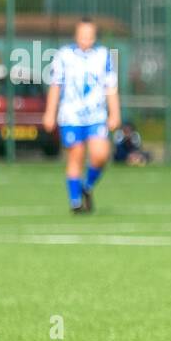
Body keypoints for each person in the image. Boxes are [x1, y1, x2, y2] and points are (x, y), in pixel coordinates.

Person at [42, 18, 121, 213]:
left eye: (90, 36)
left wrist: (115, 113)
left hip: (96, 116)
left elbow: (110, 87)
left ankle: (87, 187)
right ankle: (75, 201)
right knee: (76, 156)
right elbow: (55, 85)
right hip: (71, 116)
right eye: (83, 35)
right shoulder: (63, 55)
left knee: (100, 155)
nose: (86, 39)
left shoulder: (103, 56)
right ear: (76, 36)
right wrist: (50, 113)